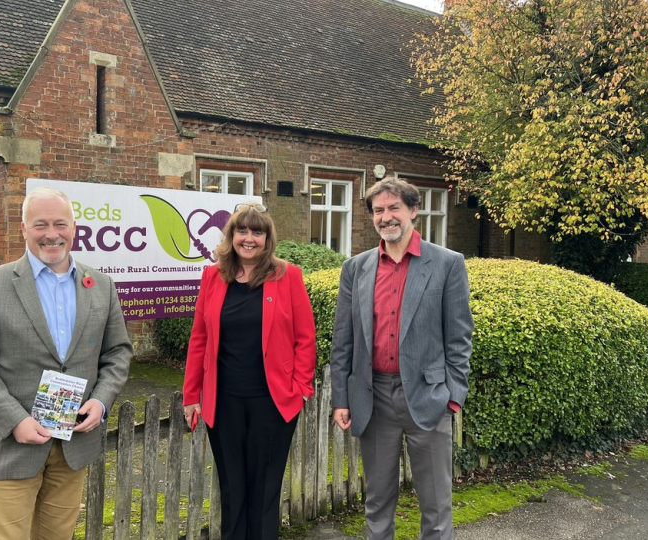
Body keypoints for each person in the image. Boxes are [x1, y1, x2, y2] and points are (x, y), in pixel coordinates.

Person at [0, 186, 133, 540]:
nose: (51, 234)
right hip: (11, 448)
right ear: (24, 229)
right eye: (40, 225)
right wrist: (15, 420)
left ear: (74, 228)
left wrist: (100, 400)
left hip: (71, 449)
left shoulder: (101, 285)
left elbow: (117, 353)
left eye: (60, 223)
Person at [330, 176, 473, 540]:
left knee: (436, 503)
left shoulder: (447, 264)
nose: (386, 217)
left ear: (413, 210)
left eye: (394, 208)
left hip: (428, 397)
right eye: (379, 210)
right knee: (377, 500)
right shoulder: (356, 269)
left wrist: (453, 397)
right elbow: (343, 341)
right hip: (373, 398)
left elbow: (459, 337)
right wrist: (342, 399)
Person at [183, 201, 316, 540]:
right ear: (232, 236)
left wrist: (301, 388)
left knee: (264, 488)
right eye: (242, 230)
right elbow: (199, 338)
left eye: (257, 232)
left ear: (267, 238)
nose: (249, 238)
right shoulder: (213, 276)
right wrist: (191, 395)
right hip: (223, 401)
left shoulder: (288, 275)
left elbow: (305, 337)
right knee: (232, 488)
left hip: (272, 402)